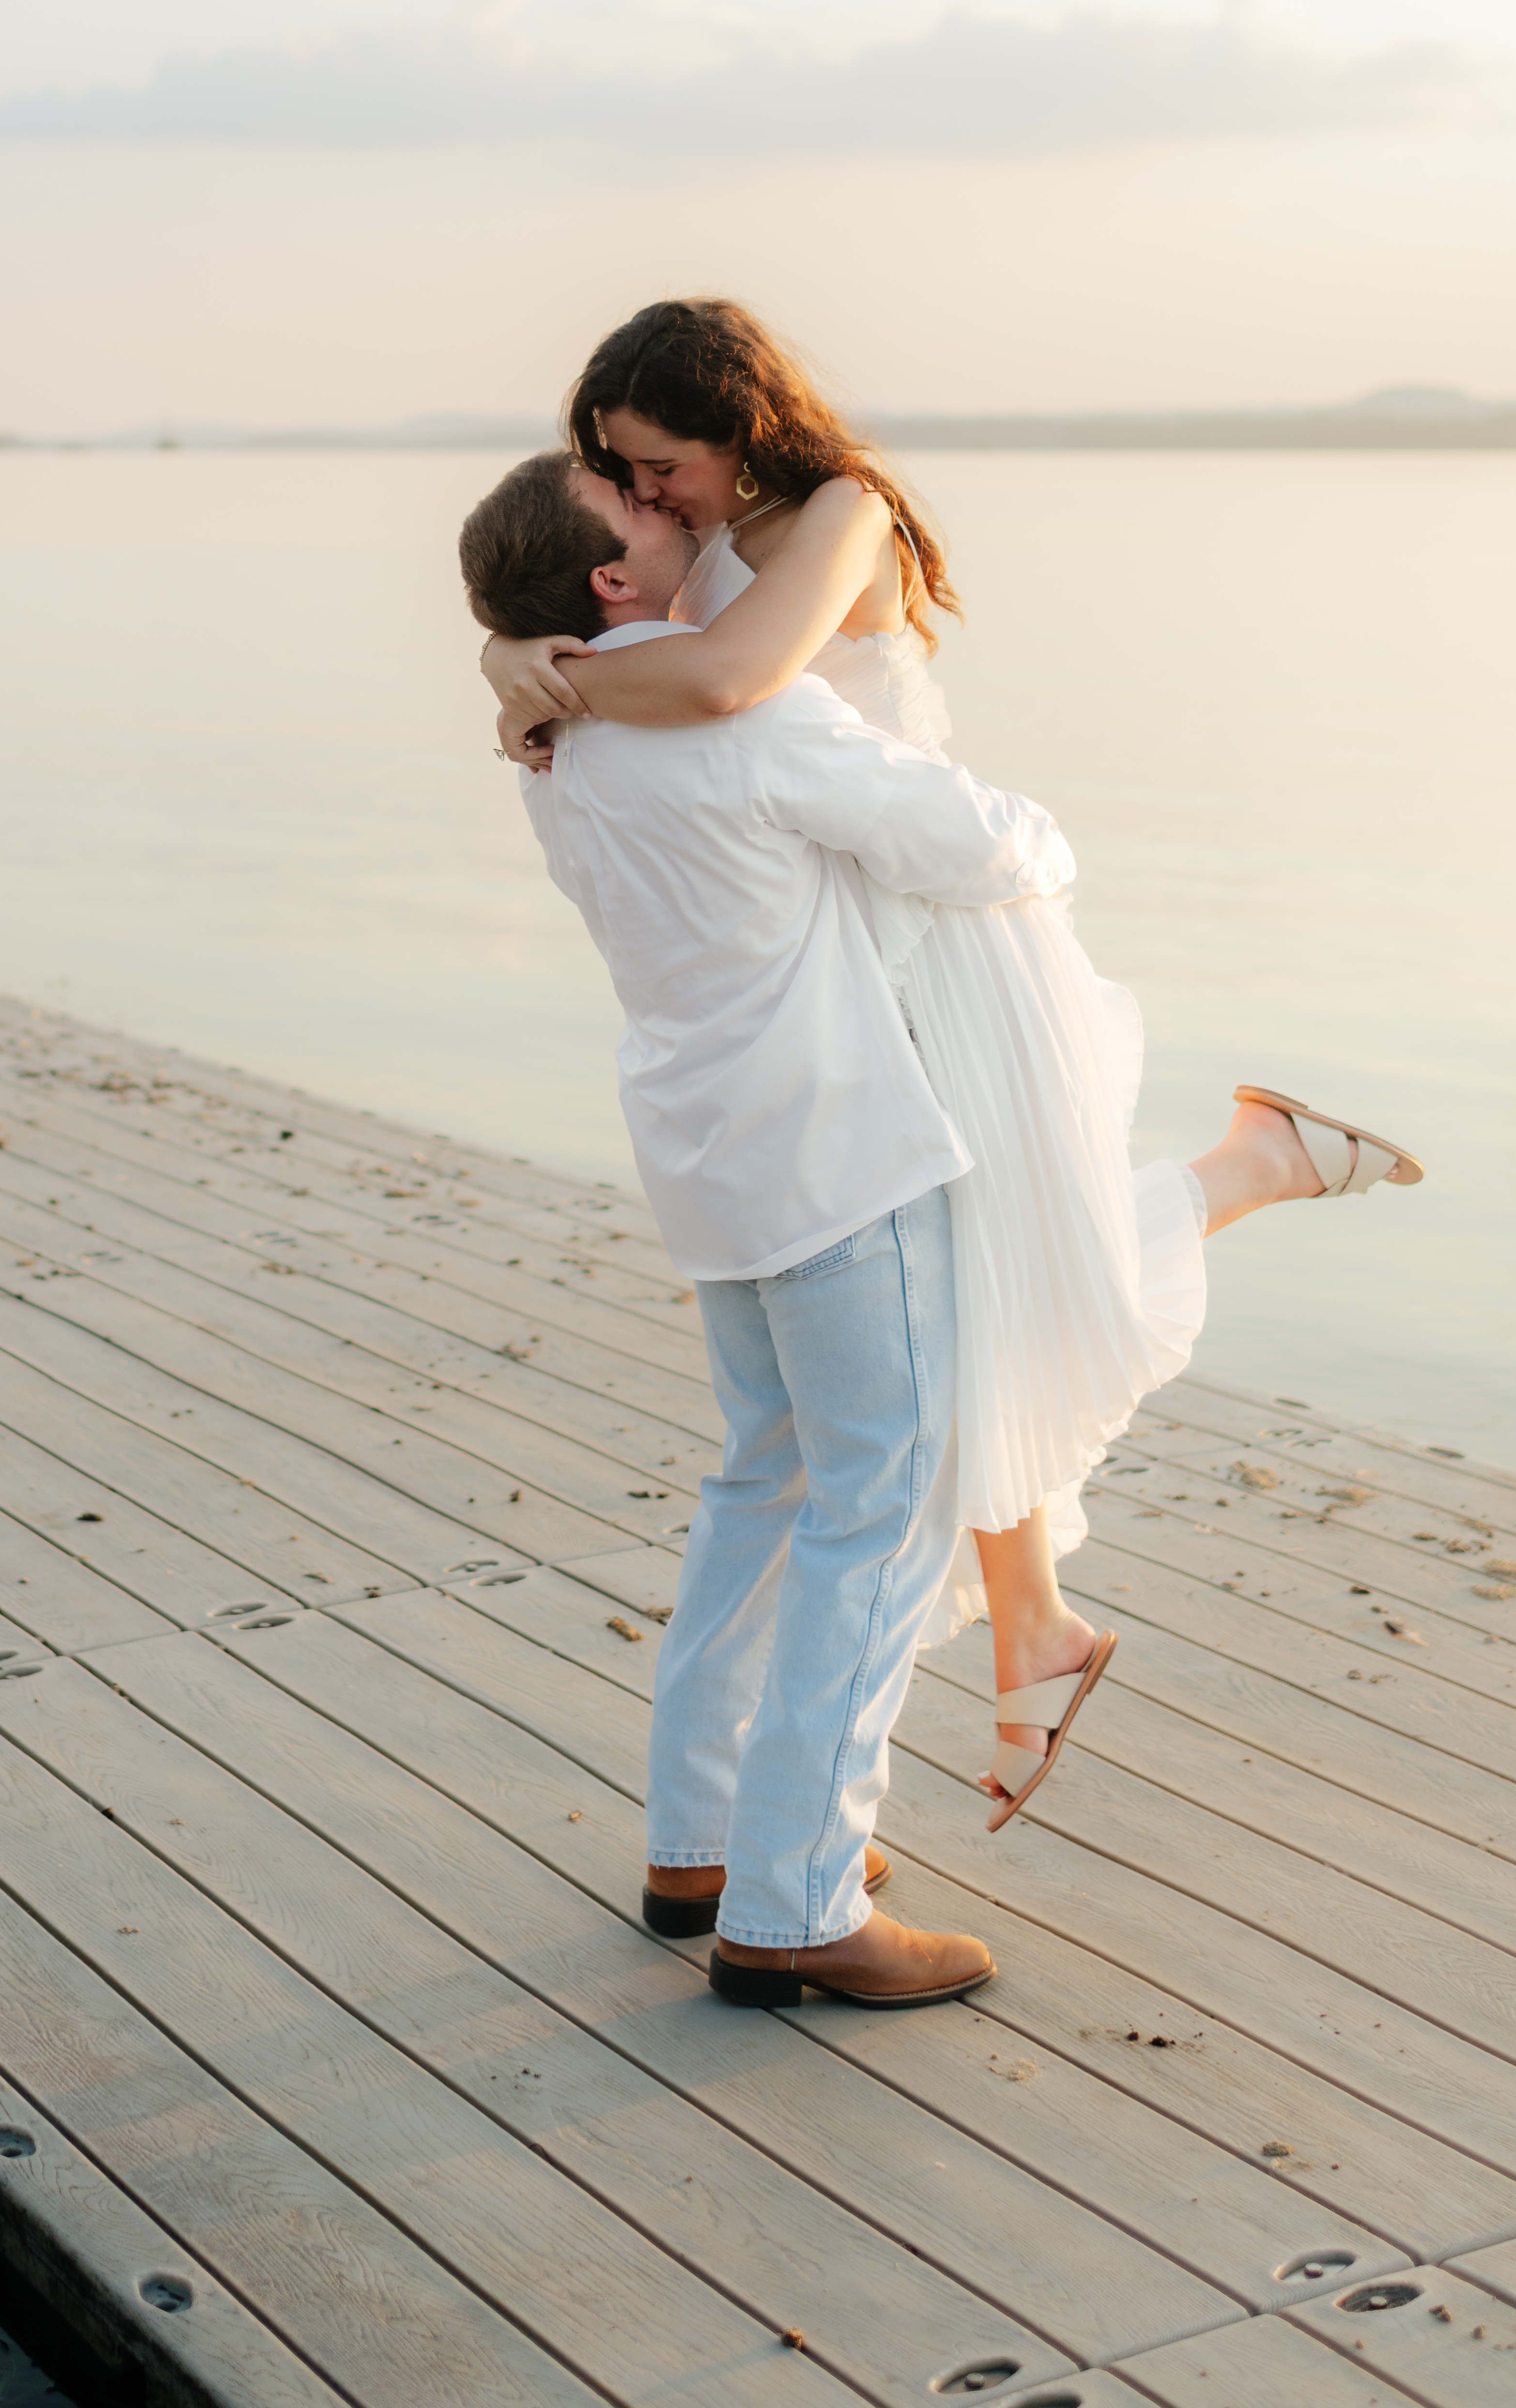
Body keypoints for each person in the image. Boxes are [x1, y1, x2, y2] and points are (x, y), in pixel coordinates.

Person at [480, 299, 1423, 1824]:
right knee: (969, 1301)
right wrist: (512, 642)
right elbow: (676, 665)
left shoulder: (838, 512)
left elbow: (723, 682)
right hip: (840, 928)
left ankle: (1245, 1173)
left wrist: (536, 667)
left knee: (1002, 1286)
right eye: (624, 480)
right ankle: (1039, 1625)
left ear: (734, 424)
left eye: (660, 467)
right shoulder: (670, 570)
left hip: (938, 922)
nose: (649, 499)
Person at [456, 443, 1074, 2010]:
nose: (675, 514)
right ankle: (796, 1901)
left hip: (705, 1150)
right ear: (613, 580)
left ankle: (703, 1838)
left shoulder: (553, 737)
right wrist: (1048, 842)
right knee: (880, 1510)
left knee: (763, 1481)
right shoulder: (739, 715)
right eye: (645, 512)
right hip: (837, 1158)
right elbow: (977, 846)